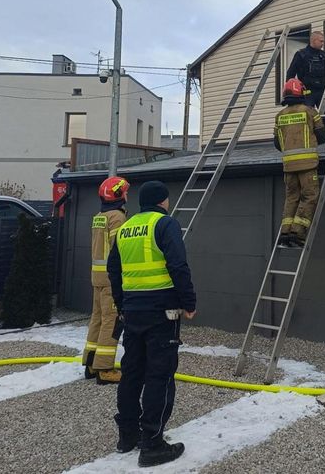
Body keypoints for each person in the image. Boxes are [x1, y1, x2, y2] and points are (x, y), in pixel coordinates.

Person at [107, 180, 197, 468]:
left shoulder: (126, 229)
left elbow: (113, 270)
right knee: (160, 375)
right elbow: (178, 265)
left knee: (132, 373)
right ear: (162, 201)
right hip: (162, 312)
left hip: (133, 312)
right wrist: (189, 301)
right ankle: (153, 444)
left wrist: (122, 305)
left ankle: (127, 436)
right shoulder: (165, 224)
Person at [82, 176, 129, 385]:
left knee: (97, 319)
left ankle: (91, 363)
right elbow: (119, 249)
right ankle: (104, 368)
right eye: (125, 191)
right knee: (111, 321)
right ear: (118, 194)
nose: (127, 195)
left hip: (97, 277)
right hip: (111, 279)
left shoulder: (99, 216)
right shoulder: (117, 217)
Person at [274, 77, 325, 247]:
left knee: (291, 197)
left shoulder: (279, 116)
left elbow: (276, 142)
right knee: (309, 196)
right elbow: (322, 135)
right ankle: (298, 232)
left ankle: (285, 233)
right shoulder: (310, 112)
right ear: (301, 93)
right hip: (307, 165)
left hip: (288, 166)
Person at [286, 31, 325, 150]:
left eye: (323, 41)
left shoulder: (323, 55)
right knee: (307, 117)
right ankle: (307, 143)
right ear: (313, 41)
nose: (323, 43)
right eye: (321, 41)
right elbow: (290, 74)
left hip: (322, 91)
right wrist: (291, 93)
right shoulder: (301, 55)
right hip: (307, 92)